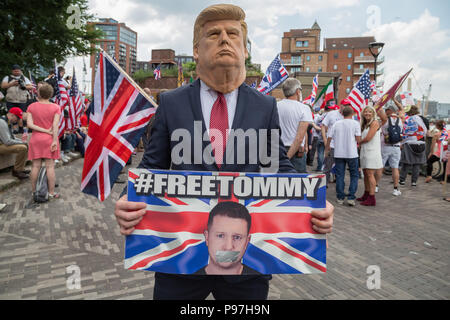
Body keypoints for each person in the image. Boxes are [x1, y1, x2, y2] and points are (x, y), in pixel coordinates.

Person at [113, 3, 334, 301]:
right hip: (180, 261)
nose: (225, 39)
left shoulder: (265, 106)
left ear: (244, 50)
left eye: (233, 34)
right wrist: (129, 198)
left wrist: (312, 205)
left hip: (247, 267)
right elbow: (152, 166)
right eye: (214, 34)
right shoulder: (171, 103)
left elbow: (279, 169)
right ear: (195, 50)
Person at [194, 201, 259, 275]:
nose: (228, 247)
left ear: (247, 241)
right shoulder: (186, 283)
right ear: (207, 237)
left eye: (237, 237)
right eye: (220, 236)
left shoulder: (260, 281)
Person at [26, 83, 61, 200]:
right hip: (49, 139)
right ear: (51, 94)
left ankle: (34, 191)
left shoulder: (31, 106)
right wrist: (54, 140)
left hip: (35, 139)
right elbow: (55, 126)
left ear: (39, 93)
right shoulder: (56, 107)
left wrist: (43, 130)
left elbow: (29, 124)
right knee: (50, 167)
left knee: (35, 166)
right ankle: (51, 193)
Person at [325, 105, 361, 206]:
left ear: (342, 114)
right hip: (352, 153)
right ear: (352, 114)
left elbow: (329, 137)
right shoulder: (355, 124)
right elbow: (358, 139)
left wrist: (327, 148)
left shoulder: (336, 124)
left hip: (339, 153)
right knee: (354, 175)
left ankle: (340, 197)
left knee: (340, 175)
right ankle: (351, 197)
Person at [277, 78, 313, 173]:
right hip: (296, 152)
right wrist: (287, 158)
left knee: (278, 183)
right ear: (297, 91)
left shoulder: (275, 106)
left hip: (278, 148)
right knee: (297, 184)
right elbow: (299, 138)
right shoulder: (304, 108)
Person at [357, 106, 383, 206]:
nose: (367, 113)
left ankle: (372, 197)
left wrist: (359, 142)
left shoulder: (375, 123)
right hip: (365, 152)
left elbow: (368, 138)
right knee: (366, 174)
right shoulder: (365, 124)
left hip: (372, 152)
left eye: (369, 112)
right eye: (365, 112)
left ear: (373, 113)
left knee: (370, 174)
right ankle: (366, 193)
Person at [397, 105, 428, 187]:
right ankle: (414, 182)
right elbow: (426, 131)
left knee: (406, 163)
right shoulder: (423, 119)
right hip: (420, 143)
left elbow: (405, 132)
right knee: (417, 164)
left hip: (409, 143)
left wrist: (402, 143)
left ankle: (402, 180)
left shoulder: (409, 119)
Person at [1, 65, 34, 133]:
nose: (16, 72)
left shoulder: (24, 78)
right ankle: (14, 129)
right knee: (11, 115)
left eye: (18, 71)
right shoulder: (8, 78)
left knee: (22, 115)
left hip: (21, 100)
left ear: (20, 71)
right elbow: (3, 86)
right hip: (11, 100)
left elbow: (31, 87)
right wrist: (12, 84)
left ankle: (21, 128)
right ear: (12, 71)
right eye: (15, 71)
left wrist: (23, 86)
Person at [380, 102, 404, 196]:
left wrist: (383, 100)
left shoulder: (385, 119)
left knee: (380, 167)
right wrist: (394, 99)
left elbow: (378, 110)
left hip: (385, 146)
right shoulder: (401, 119)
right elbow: (401, 109)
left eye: (387, 110)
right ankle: (395, 189)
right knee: (395, 168)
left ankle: (376, 186)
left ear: (389, 111)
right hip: (397, 147)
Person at [0, 107, 29, 179]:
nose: (18, 120)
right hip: (1, 145)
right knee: (22, 148)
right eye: (18, 118)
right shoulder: (2, 122)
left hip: (3, 144)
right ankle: (17, 171)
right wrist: (22, 143)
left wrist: (22, 142)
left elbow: (12, 137)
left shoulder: (7, 122)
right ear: (12, 115)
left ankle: (21, 169)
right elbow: (7, 141)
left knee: (24, 145)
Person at [322, 99, 344, 184]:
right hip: (331, 145)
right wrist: (325, 140)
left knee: (340, 167)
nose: (345, 107)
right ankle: (324, 184)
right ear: (340, 105)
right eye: (344, 105)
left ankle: (339, 184)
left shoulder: (349, 115)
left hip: (343, 147)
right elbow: (323, 126)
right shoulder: (332, 114)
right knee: (327, 166)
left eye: (348, 105)